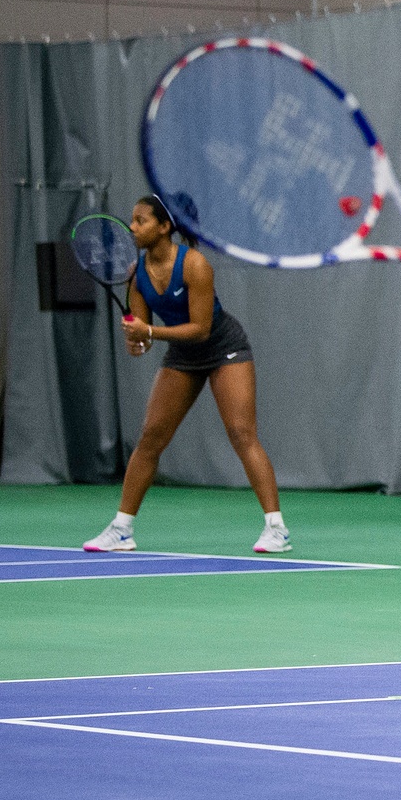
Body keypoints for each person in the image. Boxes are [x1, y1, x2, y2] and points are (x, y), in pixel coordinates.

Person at [83, 196, 290, 556]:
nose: (132, 227)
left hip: (223, 347)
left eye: (141, 221)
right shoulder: (137, 274)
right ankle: (121, 529)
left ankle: (276, 528)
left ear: (164, 227)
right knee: (151, 437)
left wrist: (149, 333)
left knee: (242, 434)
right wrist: (138, 342)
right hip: (183, 353)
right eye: (132, 220)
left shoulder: (194, 265)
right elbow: (143, 333)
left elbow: (201, 329)